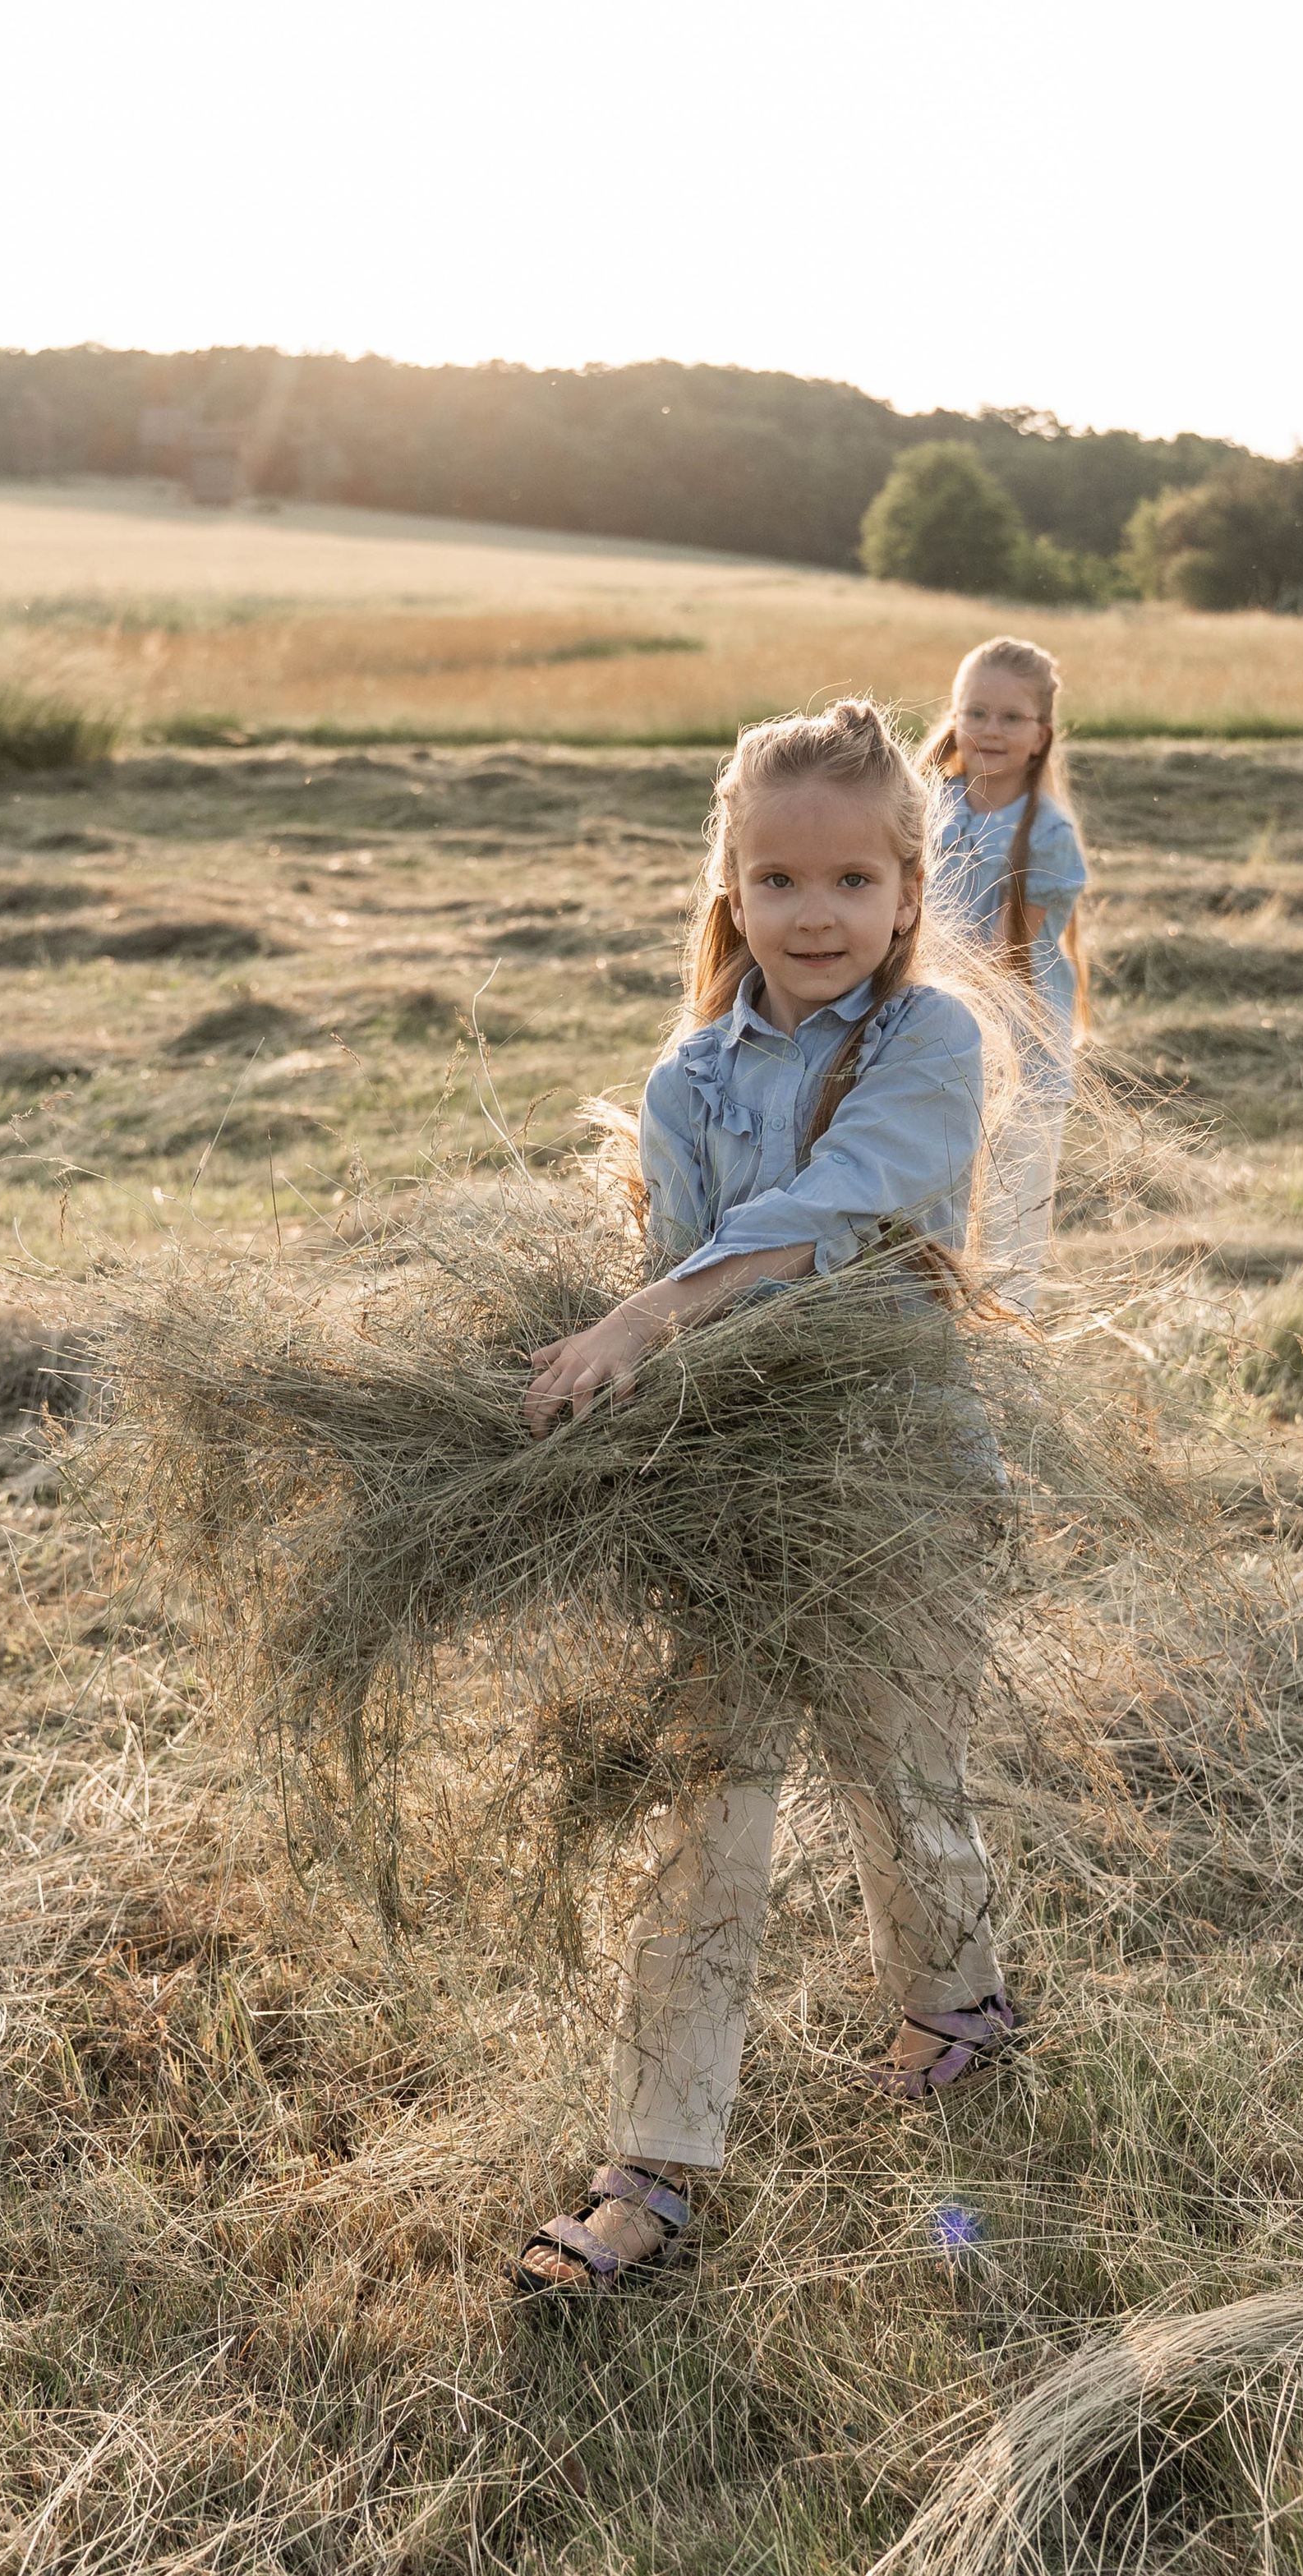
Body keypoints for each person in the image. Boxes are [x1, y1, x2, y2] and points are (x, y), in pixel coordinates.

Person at [513, 698, 1019, 2297]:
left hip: (896, 1480)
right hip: (733, 1499)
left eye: (850, 883)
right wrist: (609, 1359)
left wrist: (647, 1318)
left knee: (898, 1771)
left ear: (903, 894)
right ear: (729, 887)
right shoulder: (685, 1075)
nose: (815, 914)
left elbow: (830, 1208)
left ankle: (956, 2008)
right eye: (778, 880)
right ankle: (654, 2165)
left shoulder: (935, 1045)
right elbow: (662, 1263)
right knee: (706, 1814)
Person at [919, 636, 1091, 1318]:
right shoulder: (929, 802)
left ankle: (1009, 1363)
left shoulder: (1045, 832)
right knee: (937, 1212)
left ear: (1042, 734)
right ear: (955, 716)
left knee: (1010, 1225)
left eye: (1011, 717)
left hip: (1017, 1051)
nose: (991, 729)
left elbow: (1001, 958)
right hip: (931, 1036)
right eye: (976, 711)